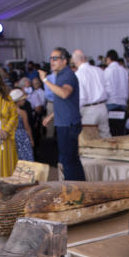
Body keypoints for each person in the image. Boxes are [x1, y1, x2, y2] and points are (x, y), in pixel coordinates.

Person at [40, 47, 85, 181]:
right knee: (72, 159)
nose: (51, 61)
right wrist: (51, 116)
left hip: (68, 124)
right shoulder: (60, 75)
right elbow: (62, 101)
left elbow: (65, 93)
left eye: (55, 58)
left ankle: (72, 191)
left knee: (68, 161)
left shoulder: (68, 75)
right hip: (63, 122)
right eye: (50, 58)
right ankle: (80, 188)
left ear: (64, 61)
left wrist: (45, 80)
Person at [72, 49, 110, 138]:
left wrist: (75, 112)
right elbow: (108, 88)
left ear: (74, 61)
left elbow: (82, 98)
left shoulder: (78, 74)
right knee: (106, 137)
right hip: (102, 107)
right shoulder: (99, 70)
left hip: (89, 110)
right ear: (84, 58)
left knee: (90, 139)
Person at [103, 50, 129, 136]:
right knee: (121, 130)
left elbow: (107, 88)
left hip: (111, 102)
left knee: (112, 131)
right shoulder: (124, 70)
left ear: (108, 58)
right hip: (122, 103)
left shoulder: (108, 70)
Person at [10, 88, 35, 161]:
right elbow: (27, 127)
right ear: (18, 101)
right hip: (22, 137)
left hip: (11, 136)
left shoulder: (7, 112)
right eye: (23, 99)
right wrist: (31, 139)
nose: (24, 101)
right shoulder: (22, 112)